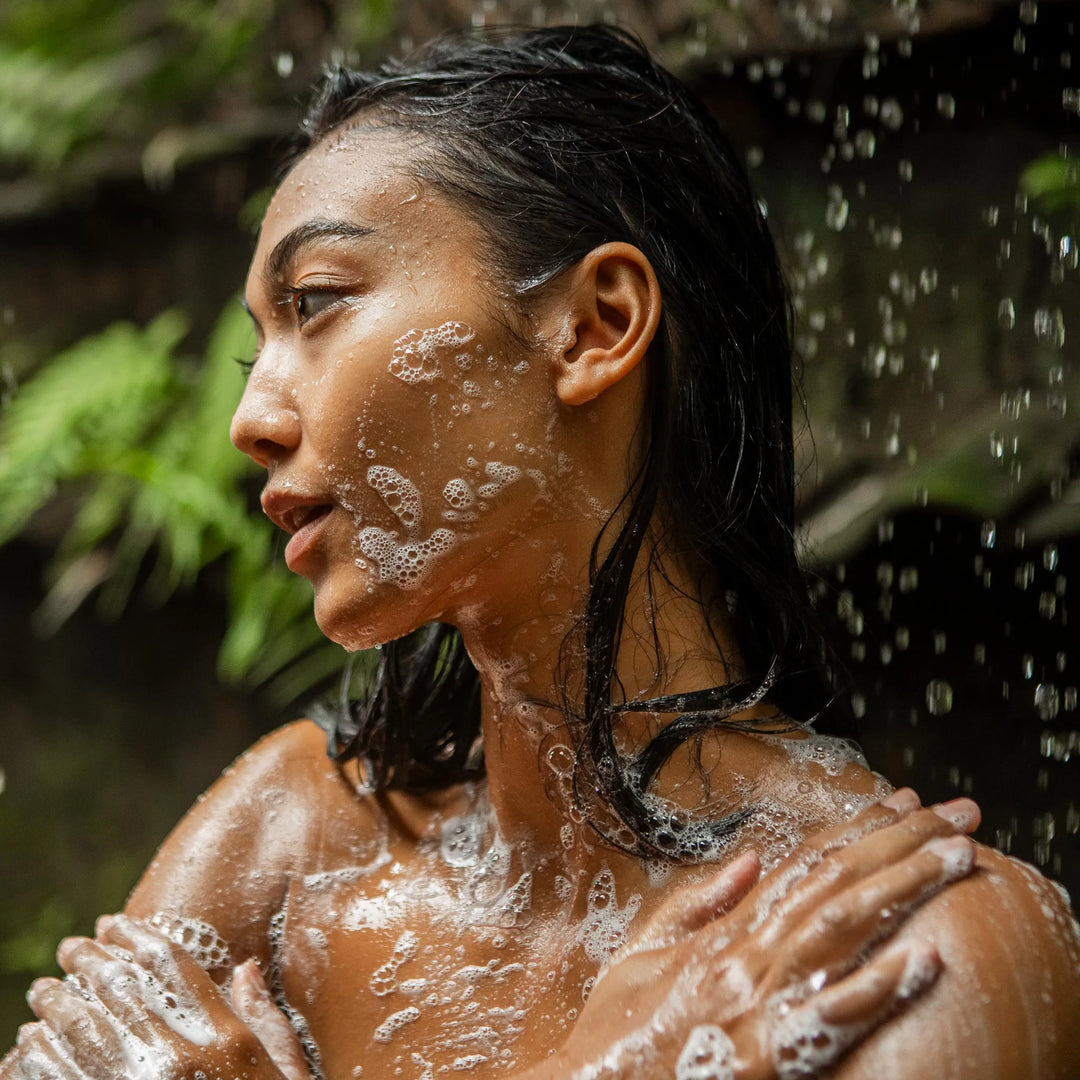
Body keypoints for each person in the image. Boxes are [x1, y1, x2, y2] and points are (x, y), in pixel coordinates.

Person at [6, 24, 1079, 1080]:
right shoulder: (291, 850)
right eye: (257, 344)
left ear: (595, 325)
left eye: (317, 303)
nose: (250, 416)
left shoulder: (917, 946)